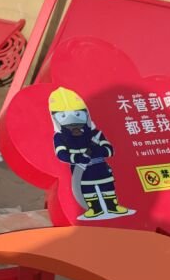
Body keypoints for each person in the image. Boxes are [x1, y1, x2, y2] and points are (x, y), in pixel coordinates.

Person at [49, 87, 130, 219]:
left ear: (85, 114)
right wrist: (77, 158)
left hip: (100, 167)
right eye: (63, 116)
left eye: (77, 114)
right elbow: (61, 154)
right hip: (80, 169)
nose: (72, 119)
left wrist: (97, 151)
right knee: (87, 189)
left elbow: (109, 150)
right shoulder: (60, 137)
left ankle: (113, 206)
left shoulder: (95, 133)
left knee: (107, 185)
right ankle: (94, 208)